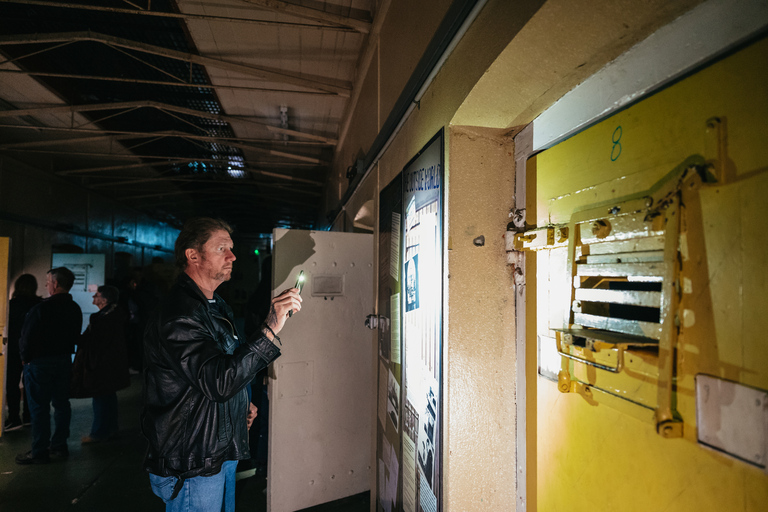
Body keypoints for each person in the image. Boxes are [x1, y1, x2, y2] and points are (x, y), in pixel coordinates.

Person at [142, 217, 302, 512]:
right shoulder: (180, 315)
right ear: (193, 255)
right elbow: (218, 382)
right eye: (221, 249)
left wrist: (240, 403)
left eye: (231, 248)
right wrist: (270, 327)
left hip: (215, 449)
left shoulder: (214, 306)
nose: (232, 256)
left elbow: (220, 367)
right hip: (193, 460)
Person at [15, 267, 82, 465]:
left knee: (39, 408)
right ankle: (60, 445)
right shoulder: (74, 308)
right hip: (62, 361)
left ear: (55, 284)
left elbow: (26, 338)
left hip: (39, 363)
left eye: (48, 281)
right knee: (62, 404)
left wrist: (25, 358)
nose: (46, 285)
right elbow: (74, 336)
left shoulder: (41, 308)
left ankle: (39, 450)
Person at [71, 285, 130, 443]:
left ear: (104, 300)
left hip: (101, 364)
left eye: (96, 295)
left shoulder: (104, 319)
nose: (93, 298)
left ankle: (99, 433)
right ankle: (110, 429)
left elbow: (94, 342)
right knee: (108, 396)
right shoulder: (115, 316)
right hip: (110, 363)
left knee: (100, 397)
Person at [4, 274, 43, 432]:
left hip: (14, 349)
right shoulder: (39, 304)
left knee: (12, 384)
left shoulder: (11, 305)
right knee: (30, 384)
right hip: (34, 350)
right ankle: (29, 416)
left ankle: (14, 418)